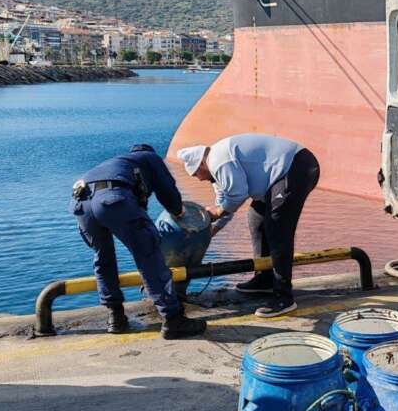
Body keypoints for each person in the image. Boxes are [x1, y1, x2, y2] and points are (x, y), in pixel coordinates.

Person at [70, 144, 207, 339]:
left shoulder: (118, 162)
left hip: (81, 203)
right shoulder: (150, 158)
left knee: (103, 258)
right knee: (148, 255)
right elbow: (167, 190)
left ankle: (115, 317)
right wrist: (179, 212)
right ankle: (173, 320)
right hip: (112, 199)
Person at [178, 134, 320, 318]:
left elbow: (236, 197)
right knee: (256, 219)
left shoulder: (218, 161)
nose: (198, 179)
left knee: (277, 227)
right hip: (276, 180)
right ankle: (265, 278)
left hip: (295, 168)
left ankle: (284, 297)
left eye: (196, 173)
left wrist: (217, 212)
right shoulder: (217, 172)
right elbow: (226, 204)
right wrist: (210, 231)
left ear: (201, 164)